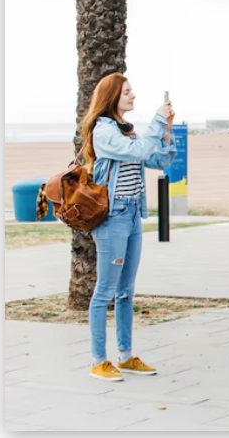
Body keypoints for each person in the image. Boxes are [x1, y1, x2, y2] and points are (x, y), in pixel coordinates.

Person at [79, 73, 177, 382]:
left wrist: (166, 132)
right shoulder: (104, 131)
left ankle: (125, 356)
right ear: (112, 98)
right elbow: (135, 152)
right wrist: (157, 122)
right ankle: (98, 360)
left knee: (126, 292)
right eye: (127, 92)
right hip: (113, 218)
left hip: (133, 214)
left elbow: (159, 160)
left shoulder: (128, 131)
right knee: (105, 291)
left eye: (132, 91)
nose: (133, 96)